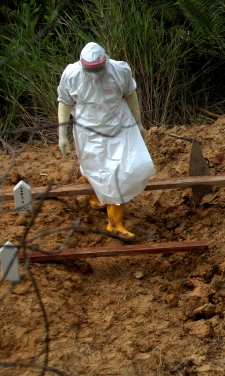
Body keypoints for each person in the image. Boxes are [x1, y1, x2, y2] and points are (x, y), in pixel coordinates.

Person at [57, 42, 155, 238]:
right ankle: (94, 197)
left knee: (118, 173)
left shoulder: (120, 70)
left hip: (118, 126)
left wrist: (138, 122)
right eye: (90, 68)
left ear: (106, 62)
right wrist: (62, 134)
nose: (95, 72)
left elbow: (130, 95)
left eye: (98, 68)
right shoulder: (71, 75)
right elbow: (65, 103)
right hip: (88, 129)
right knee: (92, 166)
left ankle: (115, 224)